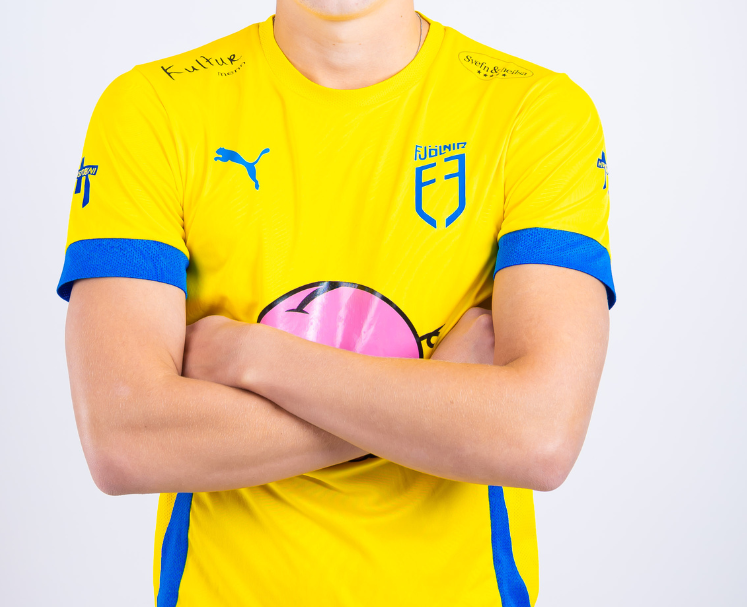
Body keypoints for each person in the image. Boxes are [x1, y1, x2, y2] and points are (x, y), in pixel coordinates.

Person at [56, 0, 614, 604]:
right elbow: (125, 440)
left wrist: (255, 358)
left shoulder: (536, 112)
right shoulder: (154, 108)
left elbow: (539, 436)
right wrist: (438, 400)